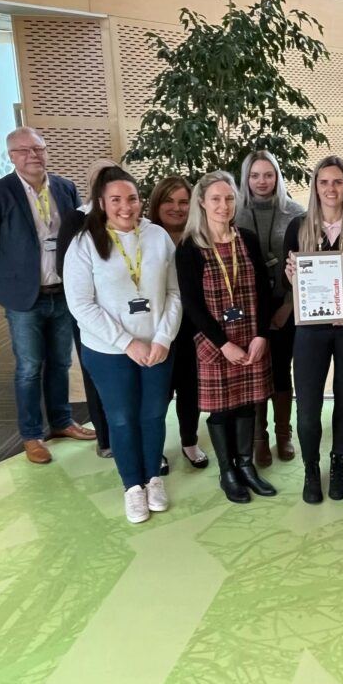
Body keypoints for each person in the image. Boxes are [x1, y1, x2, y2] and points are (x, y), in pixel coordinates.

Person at [0, 127, 94, 464]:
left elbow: (77, 238)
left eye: (38, 148)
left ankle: (62, 422)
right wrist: (8, 279)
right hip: (25, 300)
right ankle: (32, 434)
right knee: (29, 367)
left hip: (63, 293)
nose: (33, 155)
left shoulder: (65, 188)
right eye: (24, 150)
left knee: (61, 362)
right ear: (12, 156)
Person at [63, 166, 182, 523]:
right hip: (109, 351)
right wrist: (127, 342)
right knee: (121, 418)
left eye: (131, 198)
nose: (125, 207)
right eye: (115, 199)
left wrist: (163, 337)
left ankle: (153, 478)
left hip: (158, 347)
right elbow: (81, 304)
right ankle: (132, 485)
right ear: (102, 203)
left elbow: (175, 293)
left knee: (154, 414)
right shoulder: (84, 243)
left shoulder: (158, 236)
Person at [176, 171, 276, 504]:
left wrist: (261, 335)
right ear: (202, 202)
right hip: (215, 342)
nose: (223, 205)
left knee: (247, 404)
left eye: (229, 198)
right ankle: (227, 472)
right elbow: (191, 304)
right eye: (216, 199)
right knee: (220, 410)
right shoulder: (189, 246)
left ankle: (246, 466)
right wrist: (223, 343)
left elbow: (264, 291)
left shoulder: (246, 239)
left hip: (250, 337)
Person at [284, 156, 343, 503]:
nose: (331, 189)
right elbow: (288, 282)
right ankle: (311, 468)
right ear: (315, 187)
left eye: (337, 182)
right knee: (307, 406)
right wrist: (292, 277)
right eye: (324, 182)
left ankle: (337, 461)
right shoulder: (298, 226)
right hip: (310, 330)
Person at [235, 150, 305, 466]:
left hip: (286, 305)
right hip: (248, 308)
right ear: (246, 178)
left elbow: (304, 264)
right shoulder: (234, 213)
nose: (261, 181)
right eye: (254, 175)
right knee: (254, 369)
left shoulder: (296, 213)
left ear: (277, 176)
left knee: (280, 369)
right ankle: (258, 437)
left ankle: (283, 433)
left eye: (268, 174)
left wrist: (288, 305)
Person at [57, 159, 118, 461]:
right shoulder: (77, 218)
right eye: (99, 179)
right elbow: (64, 269)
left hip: (124, 313)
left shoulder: (129, 218)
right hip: (89, 312)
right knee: (96, 376)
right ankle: (105, 438)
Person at [147, 176, 209, 469]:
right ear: (157, 204)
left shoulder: (199, 238)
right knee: (158, 392)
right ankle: (155, 447)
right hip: (155, 328)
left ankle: (189, 441)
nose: (177, 207)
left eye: (184, 202)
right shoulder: (144, 237)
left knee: (190, 388)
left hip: (192, 327)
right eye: (169, 201)